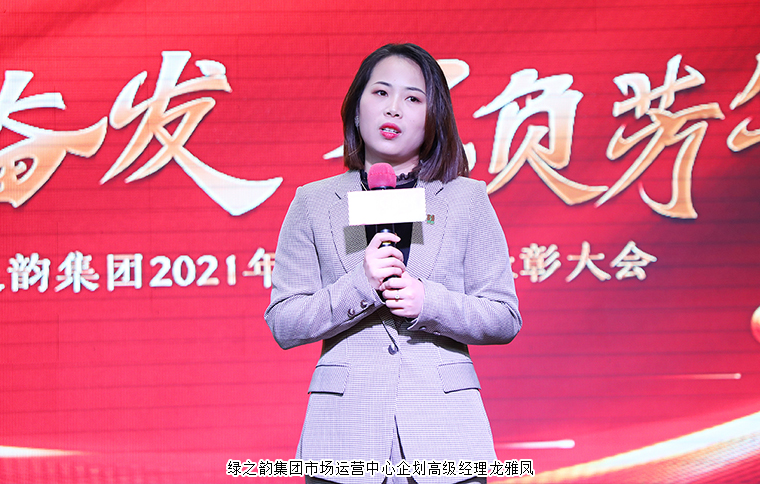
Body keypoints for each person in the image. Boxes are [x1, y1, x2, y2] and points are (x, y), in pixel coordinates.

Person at [265, 43, 522, 484]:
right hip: (343, 437)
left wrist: (429, 302)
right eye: (381, 93)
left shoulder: (466, 199)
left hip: (446, 436)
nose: (394, 108)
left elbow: (504, 316)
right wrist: (359, 286)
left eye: (413, 98)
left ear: (433, 116)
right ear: (356, 108)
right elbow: (284, 322)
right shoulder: (314, 203)